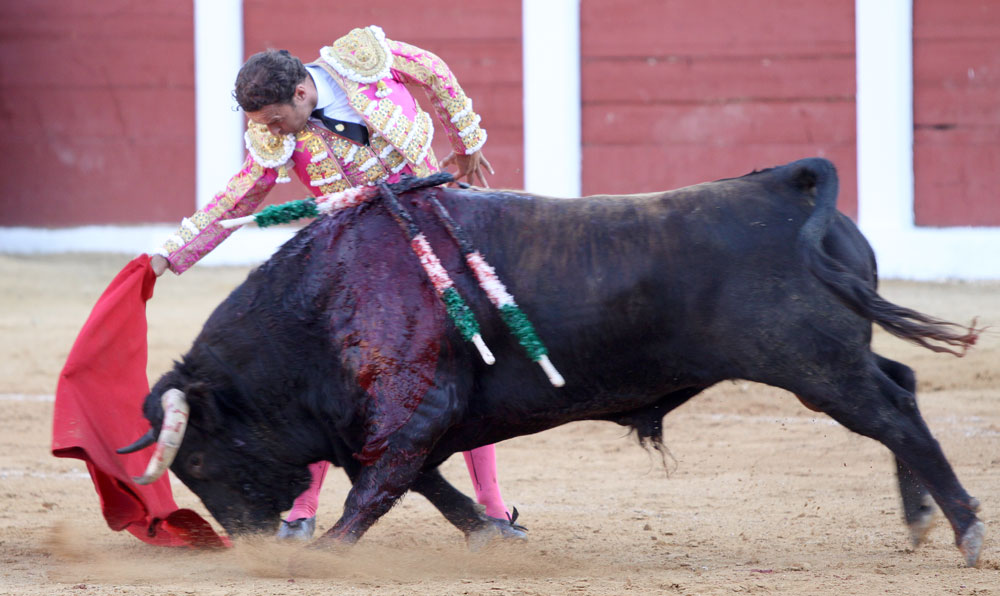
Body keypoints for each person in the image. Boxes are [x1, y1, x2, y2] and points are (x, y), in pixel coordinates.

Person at [148, 25, 518, 541]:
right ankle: (301, 512)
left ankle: (494, 509)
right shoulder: (276, 134)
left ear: (301, 92)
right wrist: (171, 253)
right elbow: (238, 197)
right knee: (326, 378)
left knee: (466, 360)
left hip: (433, 231)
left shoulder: (366, 60)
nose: (272, 131)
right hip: (362, 264)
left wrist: (467, 143)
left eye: (275, 119)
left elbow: (434, 71)